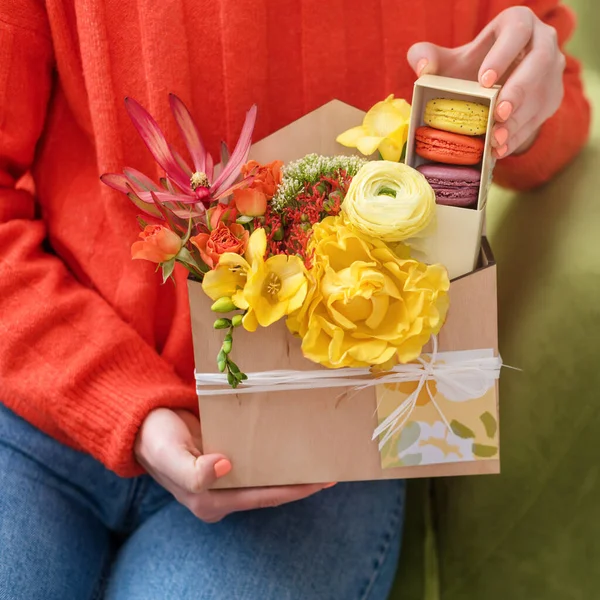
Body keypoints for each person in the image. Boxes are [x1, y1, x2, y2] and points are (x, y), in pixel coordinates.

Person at [0, 1, 590, 598]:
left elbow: (558, 116)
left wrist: (520, 107)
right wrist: (125, 406)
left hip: (324, 436)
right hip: (39, 399)